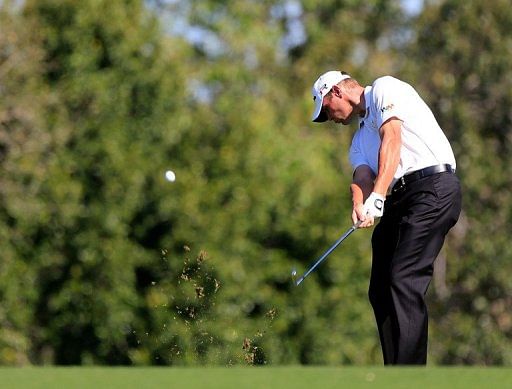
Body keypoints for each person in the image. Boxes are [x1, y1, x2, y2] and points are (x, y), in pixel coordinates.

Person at [310, 70, 462, 365]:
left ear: (337, 93)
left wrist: (378, 196)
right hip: (402, 199)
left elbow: (392, 138)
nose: (330, 118)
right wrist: (359, 203)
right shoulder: (358, 140)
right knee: (380, 287)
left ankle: (408, 376)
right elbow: (363, 174)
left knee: (403, 275)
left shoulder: (384, 88)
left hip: (433, 188)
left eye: (326, 110)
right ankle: (395, 369)